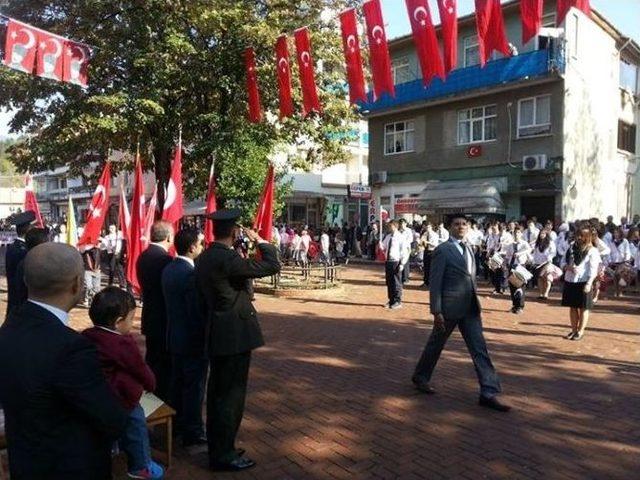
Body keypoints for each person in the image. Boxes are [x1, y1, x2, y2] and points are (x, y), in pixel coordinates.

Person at [0, 243, 128, 479]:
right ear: (77, 284)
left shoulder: (9, 328)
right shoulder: (71, 348)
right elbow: (111, 418)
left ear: (26, 282)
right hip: (70, 466)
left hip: (25, 461)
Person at [195, 209, 281, 472]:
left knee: (220, 394)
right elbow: (271, 265)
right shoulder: (226, 258)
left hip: (219, 331)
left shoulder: (206, 257)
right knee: (230, 397)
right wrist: (261, 241)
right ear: (234, 232)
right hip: (233, 334)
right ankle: (223, 454)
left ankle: (222, 446)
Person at [412, 215, 509, 412]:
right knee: (435, 344)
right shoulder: (443, 250)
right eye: (456, 224)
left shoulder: (470, 249)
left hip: (470, 308)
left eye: (464, 224)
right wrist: (436, 310)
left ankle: (488, 391)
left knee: (479, 349)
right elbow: (436, 282)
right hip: (449, 307)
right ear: (449, 228)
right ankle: (421, 376)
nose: (461, 227)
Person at [83, 287, 163, 480]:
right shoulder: (121, 343)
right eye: (131, 319)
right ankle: (141, 465)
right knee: (137, 427)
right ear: (119, 322)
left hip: (98, 396)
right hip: (123, 397)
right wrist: (151, 385)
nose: (132, 323)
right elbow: (139, 368)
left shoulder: (87, 335)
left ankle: (112, 451)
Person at [162, 229, 209, 447]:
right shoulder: (190, 274)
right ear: (192, 247)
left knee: (178, 384)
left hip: (174, 336)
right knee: (194, 388)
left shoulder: (169, 268)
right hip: (191, 340)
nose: (203, 246)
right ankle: (193, 431)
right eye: (201, 243)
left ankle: (178, 425)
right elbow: (195, 312)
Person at [136, 220, 174, 401]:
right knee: (163, 366)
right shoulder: (165, 260)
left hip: (150, 316)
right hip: (164, 319)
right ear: (168, 237)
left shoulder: (143, 256)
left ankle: (152, 396)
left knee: (152, 360)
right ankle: (159, 400)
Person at [562, 222, 600, 341]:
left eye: (581, 235)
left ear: (587, 236)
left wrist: (589, 283)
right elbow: (562, 261)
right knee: (573, 307)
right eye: (577, 235)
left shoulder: (592, 250)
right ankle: (573, 330)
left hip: (584, 282)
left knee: (583, 308)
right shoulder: (571, 247)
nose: (579, 238)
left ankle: (580, 331)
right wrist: (567, 267)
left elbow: (593, 269)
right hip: (570, 280)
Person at [4, 211, 34, 319]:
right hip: (20, 297)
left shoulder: (14, 246)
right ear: (27, 229)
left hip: (15, 295)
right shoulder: (22, 250)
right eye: (31, 226)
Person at [378, 220, 407, 310]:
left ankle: (397, 301)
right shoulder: (388, 236)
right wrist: (380, 245)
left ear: (395, 226)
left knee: (396, 282)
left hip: (396, 261)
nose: (389, 228)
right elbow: (384, 247)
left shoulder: (401, 237)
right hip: (388, 261)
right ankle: (391, 300)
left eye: (390, 226)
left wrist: (402, 263)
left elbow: (404, 251)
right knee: (389, 282)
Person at [505, 227, 532, 314]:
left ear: (521, 234)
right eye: (515, 233)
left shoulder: (524, 243)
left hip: (520, 266)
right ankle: (514, 305)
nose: (516, 234)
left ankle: (520, 306)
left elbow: (529, 250)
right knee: (512, 286)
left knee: (520, 287)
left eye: (518, 233)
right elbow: (508, 256)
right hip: (512, 266)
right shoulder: (510, 245)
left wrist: (519, 253)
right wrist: (505, 264)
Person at [532, 229, 557, 299]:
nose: (541, 235)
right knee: (539, 278)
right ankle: (541, 293)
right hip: (538, 263)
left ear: (546, 235)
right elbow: (535, 253)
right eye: (541, 234)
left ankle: (546, 293)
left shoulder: (550, 243)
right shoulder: (537, 243)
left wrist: (550, 257)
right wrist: (533, 260)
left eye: (543, 234)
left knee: (547, 278)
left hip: (547, 263)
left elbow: (553, 252)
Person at [81, 242, 102, 307]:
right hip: (87, 270)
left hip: (97, 270)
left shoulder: (99, 246)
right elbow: (82, 249)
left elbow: (105, 246)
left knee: (96, 288)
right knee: (88, 286)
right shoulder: (84, 246)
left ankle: (93, 300)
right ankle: (86, 299)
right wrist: (93, 245)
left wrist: (98, 244)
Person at [420, 223, 439, 288]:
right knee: (426, 267)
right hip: (426, 251)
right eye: (426, 227)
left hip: (432, 251)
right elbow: (421, 242)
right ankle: (426, 282)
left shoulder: (435, 235)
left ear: (431, 227)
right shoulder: (425, 234)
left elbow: (435, 244)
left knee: (432, 267)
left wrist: (427, 242)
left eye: (428, 227)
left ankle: (432, 282)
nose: (427, 228)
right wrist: (421, 243)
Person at [398, 219, 413, 284]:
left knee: (406, 263)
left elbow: (410, 239)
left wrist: (404, 243)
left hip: (406, 248)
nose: (402, 225)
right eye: (401, 224)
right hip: (399, 249)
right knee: (399, 263)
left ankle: (406, 278)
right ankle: (400, 278)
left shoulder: (408, 231)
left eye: (403, 223)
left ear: (406, 224)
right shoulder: (398, 231)